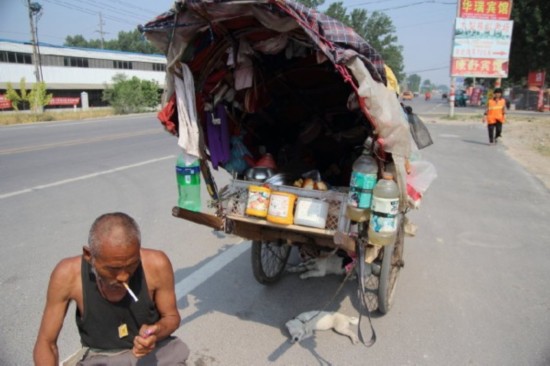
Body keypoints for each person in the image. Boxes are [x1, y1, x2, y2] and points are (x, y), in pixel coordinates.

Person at [33, 212, 189, 365]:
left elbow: (171, 317)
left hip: (155, 354)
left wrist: (156, 332)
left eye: (131, 265)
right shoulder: (67, 275)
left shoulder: (156, 264)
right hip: (102, 359)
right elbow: (46, 342)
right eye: (113, 269)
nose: (123, 277)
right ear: (89, 256)